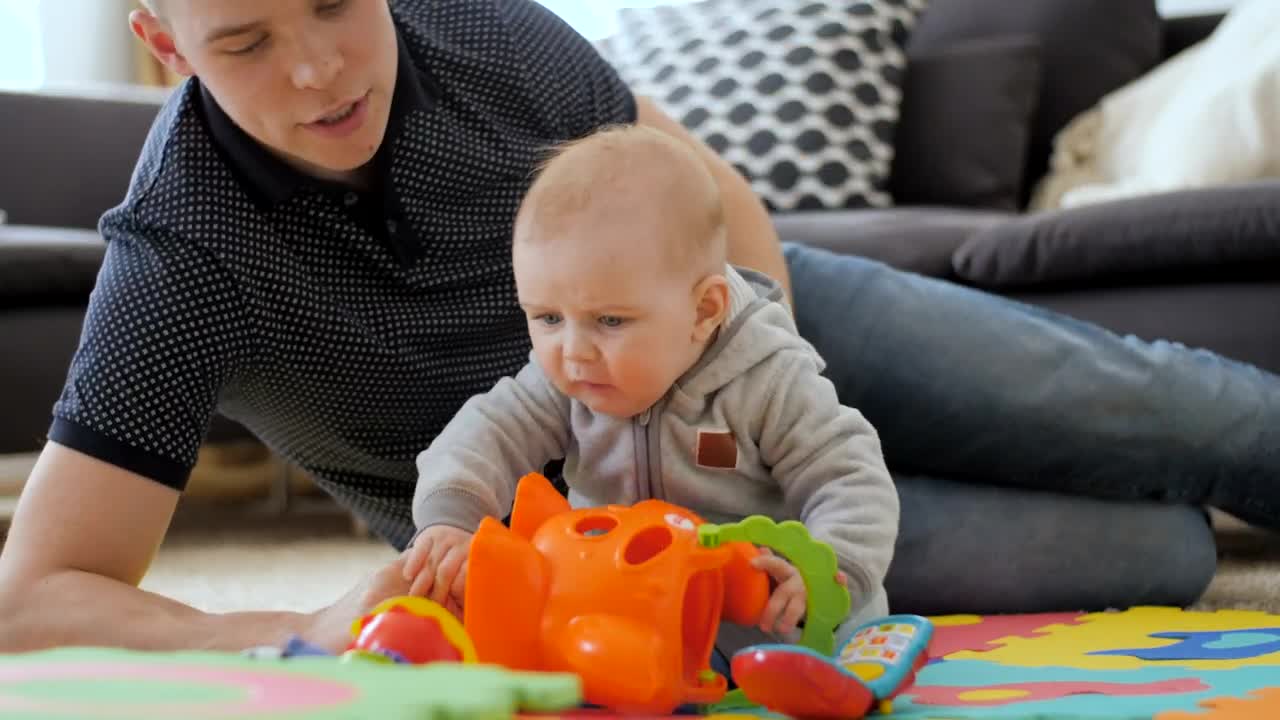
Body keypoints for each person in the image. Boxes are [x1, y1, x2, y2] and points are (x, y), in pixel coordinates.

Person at [0, 0, 1268, 655]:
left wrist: (753, 359)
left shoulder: (484, 35)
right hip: (621, 532)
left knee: (1149, 408)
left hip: (752, 334)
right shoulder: (182, 257)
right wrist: (298, 624)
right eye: (247, 41)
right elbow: (38, 596)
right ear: (164, 45)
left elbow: (698, 191)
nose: (321, 71)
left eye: (335, 2)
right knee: (1149, 557)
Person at [403, 124, 896, 642]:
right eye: (548, 317)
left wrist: (827, 570)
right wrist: (452, 515)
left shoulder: (769, 380)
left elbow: (849, 477)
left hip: (766, 620)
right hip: (623, 604)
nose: (573, 351)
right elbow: (487, 431)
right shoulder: (568, 382)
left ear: (704, 311)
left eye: (610, 321)